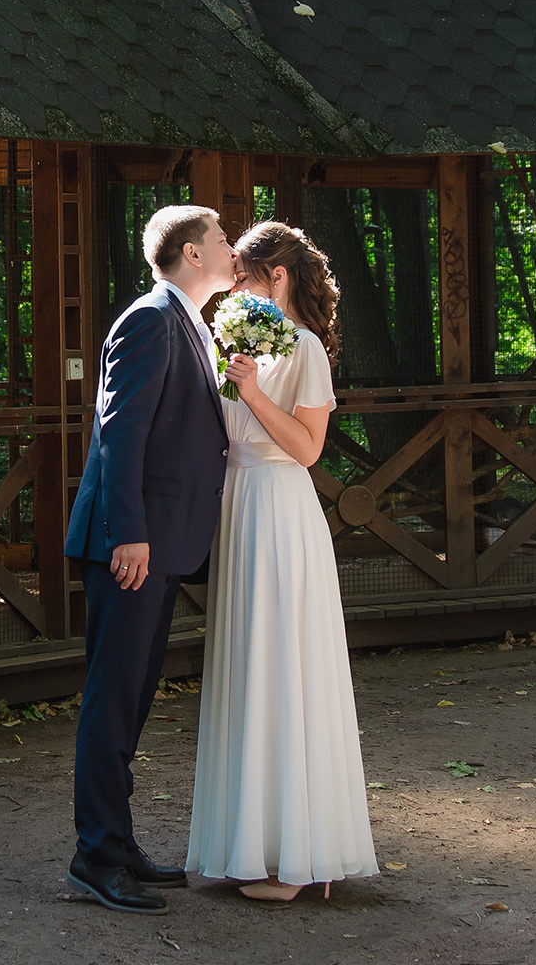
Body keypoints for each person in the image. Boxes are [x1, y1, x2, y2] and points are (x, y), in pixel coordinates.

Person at [185, 220, 378, 901]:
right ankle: (251, 843)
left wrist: (255, 391)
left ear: (278, 278)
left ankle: (297, 856)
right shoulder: (241, 341)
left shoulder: (304, 350)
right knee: (246, 670)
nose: (231, 288)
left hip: (281, 512)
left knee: (283, 669)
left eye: (241, 276)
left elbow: (307, 450)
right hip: (238, 510)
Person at [63, 203, 235, 914]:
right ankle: (95, 858)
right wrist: (128, 532)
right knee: (112, 701)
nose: (231, 247)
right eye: (222, 239)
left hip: (160, 540)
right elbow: (119, 431)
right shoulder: (149, 318)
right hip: (131, 544)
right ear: (192, 254)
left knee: (131, 701)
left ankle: (118, 843)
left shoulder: (186, 322)